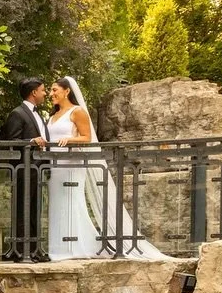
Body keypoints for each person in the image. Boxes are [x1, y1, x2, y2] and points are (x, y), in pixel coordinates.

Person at [45, 76, 167, 260]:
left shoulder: (77, 112)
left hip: (72, 163)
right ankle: (59, 247)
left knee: (72, 202)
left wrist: (70, 139)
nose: (51, 93)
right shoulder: (52, 114)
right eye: (50, 90)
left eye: (55, 90)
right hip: (55, 166)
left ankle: (75, 246)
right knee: (58, 204)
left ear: (67, 91)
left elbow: (87, 137)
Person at [0, 77, 51, 262]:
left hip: (38, 170)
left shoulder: (38, 114)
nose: (45, 94)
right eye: (43, 90)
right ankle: (21, 252)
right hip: (24, 170)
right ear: (34, 92)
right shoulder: (17, 113)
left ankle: (35, 250)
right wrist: (31, 141)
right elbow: (11, 142)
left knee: (35, 210)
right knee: (23, 209)